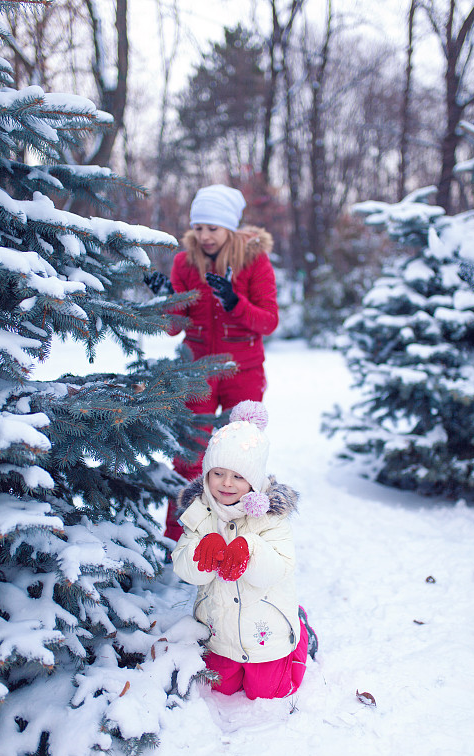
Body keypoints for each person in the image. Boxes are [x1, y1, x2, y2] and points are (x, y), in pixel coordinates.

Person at [171, 400, 318, 701]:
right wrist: (201, 553)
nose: (226, 484)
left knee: (272, 691)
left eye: (238, 476)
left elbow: (279, 567)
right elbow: (184, 568)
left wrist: (250, 550)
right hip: (220, 631)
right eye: (217, 473)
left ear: (253, 480)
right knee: (220, 687)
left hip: (267, 629)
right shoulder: (200, 512)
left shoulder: (270, 516)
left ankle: (300, 631)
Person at [165, 184, 279, 541]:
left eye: (212, 228)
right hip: (197, 371)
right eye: (198, 228)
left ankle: (241, 534)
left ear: (229, 228)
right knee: (189, 454)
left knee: (241, 457)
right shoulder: (184, 262)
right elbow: (172, 327)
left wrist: (234, 302)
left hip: (243, 372)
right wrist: (164, 300)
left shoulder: (253, 260)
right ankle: (178, 534)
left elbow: (269, 321)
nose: (204, 236)